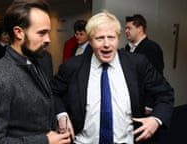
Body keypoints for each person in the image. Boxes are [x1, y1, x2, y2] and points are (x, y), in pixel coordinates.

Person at [51, 11, 174, 144]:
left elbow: (165, 93)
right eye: (99, 38)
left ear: (118, 38)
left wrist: (155, 119)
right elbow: (52, 92)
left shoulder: (137, 63)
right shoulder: (72, 65)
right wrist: (61, 114)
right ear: (90, 41)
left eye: (111, 37)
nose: (106, 44)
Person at [0, 0, 71, 144]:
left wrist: (58, 116)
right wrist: (45, 141)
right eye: (42, 33)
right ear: (19, 32)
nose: (48, 39)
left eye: (48, 32)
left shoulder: (37, 62)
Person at [124, 14, 165, 115]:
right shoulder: (128, 48)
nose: (126, 31)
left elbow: (156, 78)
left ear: (140, 29)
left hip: (144, 102)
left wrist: (149, 104)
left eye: (129, 28)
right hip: (131, 100)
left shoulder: (152, 48)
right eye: (125, 28)